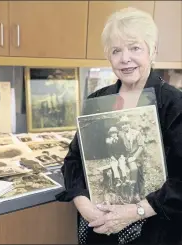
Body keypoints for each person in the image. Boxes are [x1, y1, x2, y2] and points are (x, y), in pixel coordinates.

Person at [56, 7, 182, 245]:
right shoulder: (97, 100)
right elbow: (74, 160)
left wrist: (137, 211)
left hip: (154, 232)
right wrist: (84, 205)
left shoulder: (174, 104)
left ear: (152, 51)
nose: (125, 58)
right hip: (98, 228)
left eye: (135, 48)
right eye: (116, 51)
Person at [118, 116, 145, 202]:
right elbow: (120, 147)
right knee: (132, 173)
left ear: (129, 124)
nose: (124, 126)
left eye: (126, 123)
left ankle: (142, 195)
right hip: (128, 158)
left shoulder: (137, 133)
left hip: (137, 158)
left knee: (140, 177)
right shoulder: (120, 134)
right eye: (122, 124)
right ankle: (134, 195)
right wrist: (122, 156)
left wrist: (134, 157)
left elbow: (141, 147)